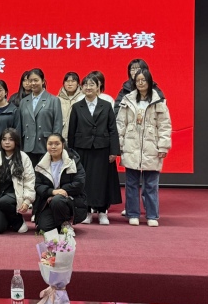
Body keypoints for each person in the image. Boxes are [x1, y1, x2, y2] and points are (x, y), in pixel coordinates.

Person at [116, 69, 171, 227]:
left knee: (151, 184)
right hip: (131, 145)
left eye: (143, 80)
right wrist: (119, 145)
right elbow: (121, 124)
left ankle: (152, 215)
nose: (140, 83)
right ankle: (133, 213)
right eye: (138, 80)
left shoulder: (158, 100)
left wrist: (163, 146)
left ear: (149, 81)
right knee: (131, 183)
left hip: (151, 146)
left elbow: (165, 126)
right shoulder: (127, 99)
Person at [68, 73, 121, 225]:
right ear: (81, 87)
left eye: (92, 84)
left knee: (102, 181)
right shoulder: (77, 106)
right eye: (85, 84)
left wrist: (114, 151)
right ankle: (87, 212)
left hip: (102, 148)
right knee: (85, 181)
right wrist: (71, 153)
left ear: (98, 87)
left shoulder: (106, 105)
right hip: (82, 149)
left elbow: (112, 129)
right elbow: (72, 131)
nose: (88, 87)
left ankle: (103, 212)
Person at [34, 133, 87, 233]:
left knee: (57, 200)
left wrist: (62, 191)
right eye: (50, 144)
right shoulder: (42, 163)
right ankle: (59, 221)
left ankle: (65, 223)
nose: (53, 147)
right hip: (49, 201)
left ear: (63, 145)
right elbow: (37, 185)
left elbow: (79, 182)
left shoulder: (73, 161)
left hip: (69, 200)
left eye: (57, 144)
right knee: (44, 228)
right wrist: (52, 192)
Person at [0, 128, 35, 234]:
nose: (7, 142)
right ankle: (8, 219)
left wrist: (27, 201)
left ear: (16, 141)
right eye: (4, 139)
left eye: (11, 139)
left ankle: (18, 221)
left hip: (16, 195)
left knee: (4, 202)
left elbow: (30, 181)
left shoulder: (24, 157)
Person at [18, 68, 63, 166]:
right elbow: (20, 126)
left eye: (36, 80)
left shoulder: (53, 100)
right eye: (30, 81)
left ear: (43, 81)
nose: (33, 83)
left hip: (45, 145)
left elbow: (57, 125)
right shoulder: (24, 102)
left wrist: (55, 145)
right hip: (27, 146)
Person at [57, 71, 84, 141]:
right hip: (61, 135)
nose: (70, 84)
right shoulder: (57, 99)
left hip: (79, 136)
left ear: (78, 84)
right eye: (67, 81)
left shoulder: (83, 98)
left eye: (73, 81)